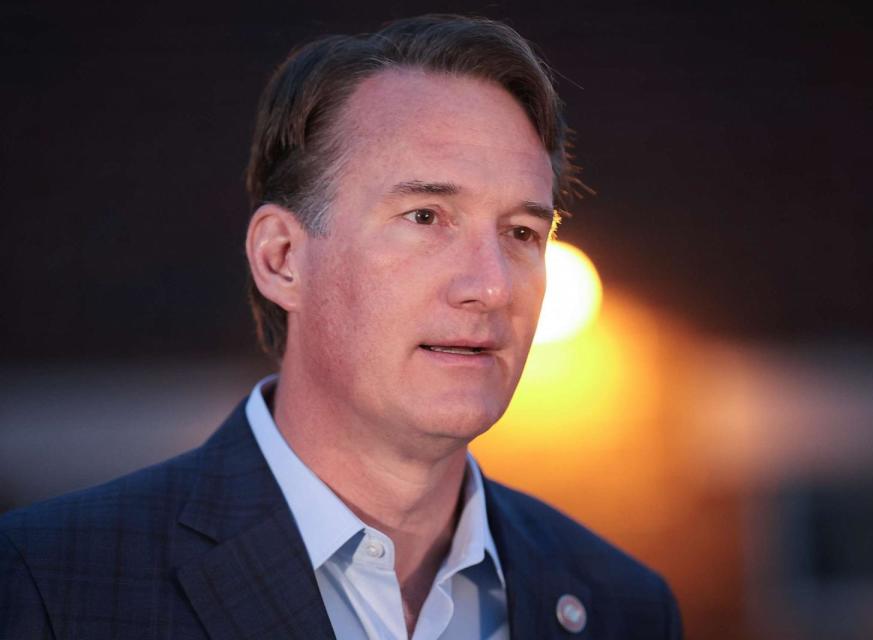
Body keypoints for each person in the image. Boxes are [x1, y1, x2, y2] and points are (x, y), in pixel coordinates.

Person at [0, 14, 681, 639]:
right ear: (283, 258)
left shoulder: (623, 607)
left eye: (523, 231)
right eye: (425, 218)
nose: (492, 285)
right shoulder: (47, 583)